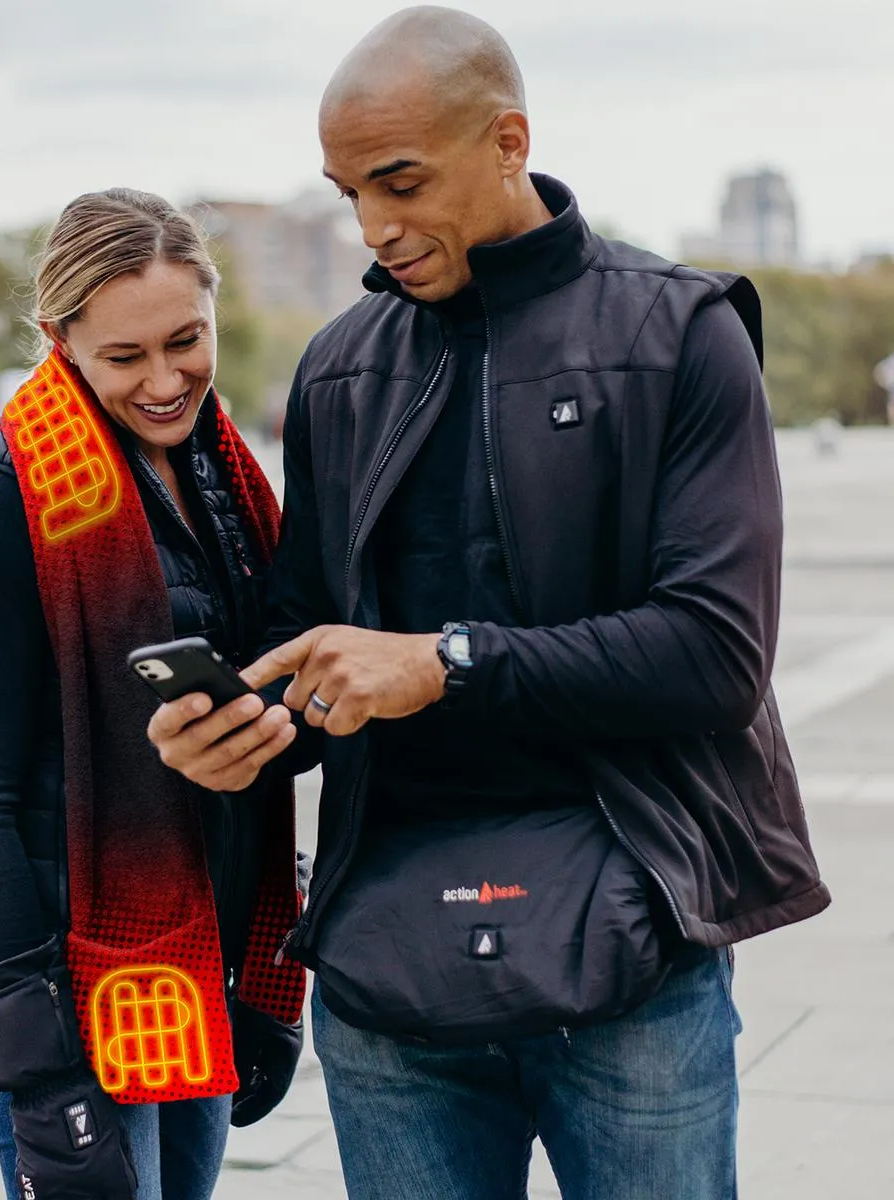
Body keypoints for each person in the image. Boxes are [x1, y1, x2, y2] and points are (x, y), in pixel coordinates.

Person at [145, 8, 830, 1199]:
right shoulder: (340, 365)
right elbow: (311, 642)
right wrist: (245, 732)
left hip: (633, 951)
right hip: (389, 971)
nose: (375, 228)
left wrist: (446, 662)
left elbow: (717, 657)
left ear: (508, 139)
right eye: (349, 191)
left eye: (401, 182)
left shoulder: (683, 332)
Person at [0, 188, 306, 1200]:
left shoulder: (220, 481)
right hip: (65, 987)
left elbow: (279, 684)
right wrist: (40, 1073)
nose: (168, 380)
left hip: (192, 961)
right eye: (125, 358)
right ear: (59, 339)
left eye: (187, 341)